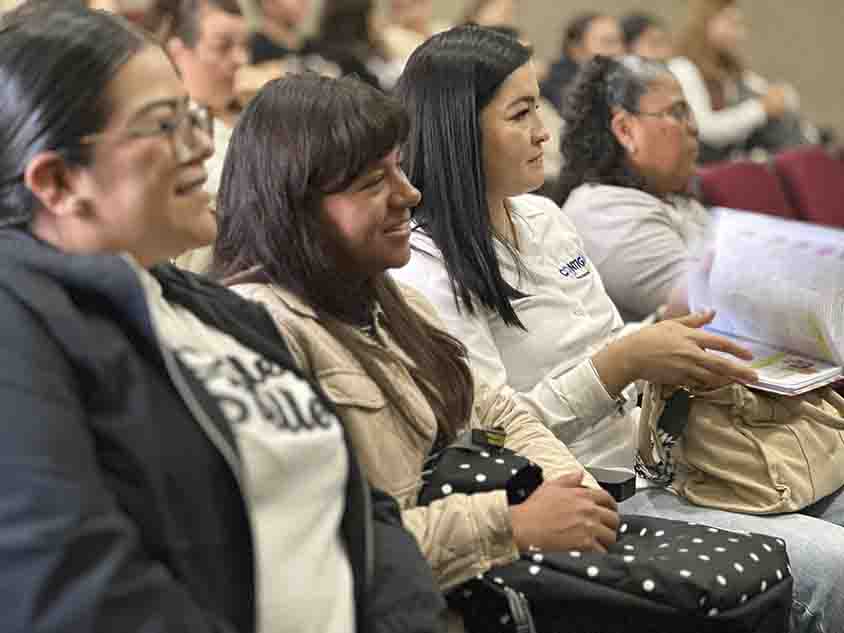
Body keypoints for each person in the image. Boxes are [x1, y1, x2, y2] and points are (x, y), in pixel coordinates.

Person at [0, 3, 446, 632]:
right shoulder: (21, 325)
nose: (202, 145)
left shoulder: (215, 310)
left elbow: (361, 510)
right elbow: (77, 590)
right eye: (164, 126)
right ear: (56, 180)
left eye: (191, 117)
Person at [391, 25, 844, 633]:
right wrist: (624, 363)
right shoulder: (424, 270)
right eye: (521, 113)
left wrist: (673, 335)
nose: (543, 132)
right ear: (457, 127)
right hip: (593, 497)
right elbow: (490, 441)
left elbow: (605, 338)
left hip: (667, 457)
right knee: (835, 571)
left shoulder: (543, 217)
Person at [210, 72, 622, 612]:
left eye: (398, 168)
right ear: (296, 203)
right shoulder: (261, 333)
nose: (408, 193)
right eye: (371, 182)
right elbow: (326, 546)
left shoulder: (391, 304)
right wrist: (511, 523)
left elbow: (496, 409)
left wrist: (575, 492)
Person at [557, 55, 706, 322]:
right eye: (677, 113)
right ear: (626, 131)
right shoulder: (604, 214)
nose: (693, 127)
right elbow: (719, 304)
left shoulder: (666, 193)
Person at [670, 0, 811, 163]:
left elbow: (781, 96)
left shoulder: (730, 67)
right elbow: (705, 130)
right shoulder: (684, 67)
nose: (740, 34)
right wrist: (761, 109)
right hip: (704, 169)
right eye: (732, 23)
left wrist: (777, 99)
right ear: (706, 22)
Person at [540, 12, 624, 114]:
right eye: (607, 42)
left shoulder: (624, 84)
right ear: (576, 48)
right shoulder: (554, 89)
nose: (618, 50)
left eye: (621, 42)